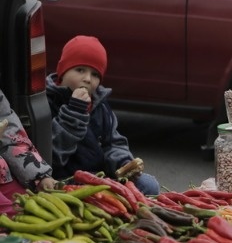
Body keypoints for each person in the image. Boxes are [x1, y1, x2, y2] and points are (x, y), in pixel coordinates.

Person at [45, 35, 161, 195]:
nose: (87, 79)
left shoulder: (100, 104)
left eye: (95, 75)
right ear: (62, 72)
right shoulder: (48, 103)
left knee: (149, 185)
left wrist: (123, 163)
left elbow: (113, 142)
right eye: (80, 70)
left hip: (101, 176)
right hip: (66, 181)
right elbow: (51, 157)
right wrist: (74, 113)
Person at [0, 88, 57, 214]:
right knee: (15, 217)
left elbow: (10, 132)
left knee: (40, 211)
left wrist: (39, 176)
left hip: (3, 177)